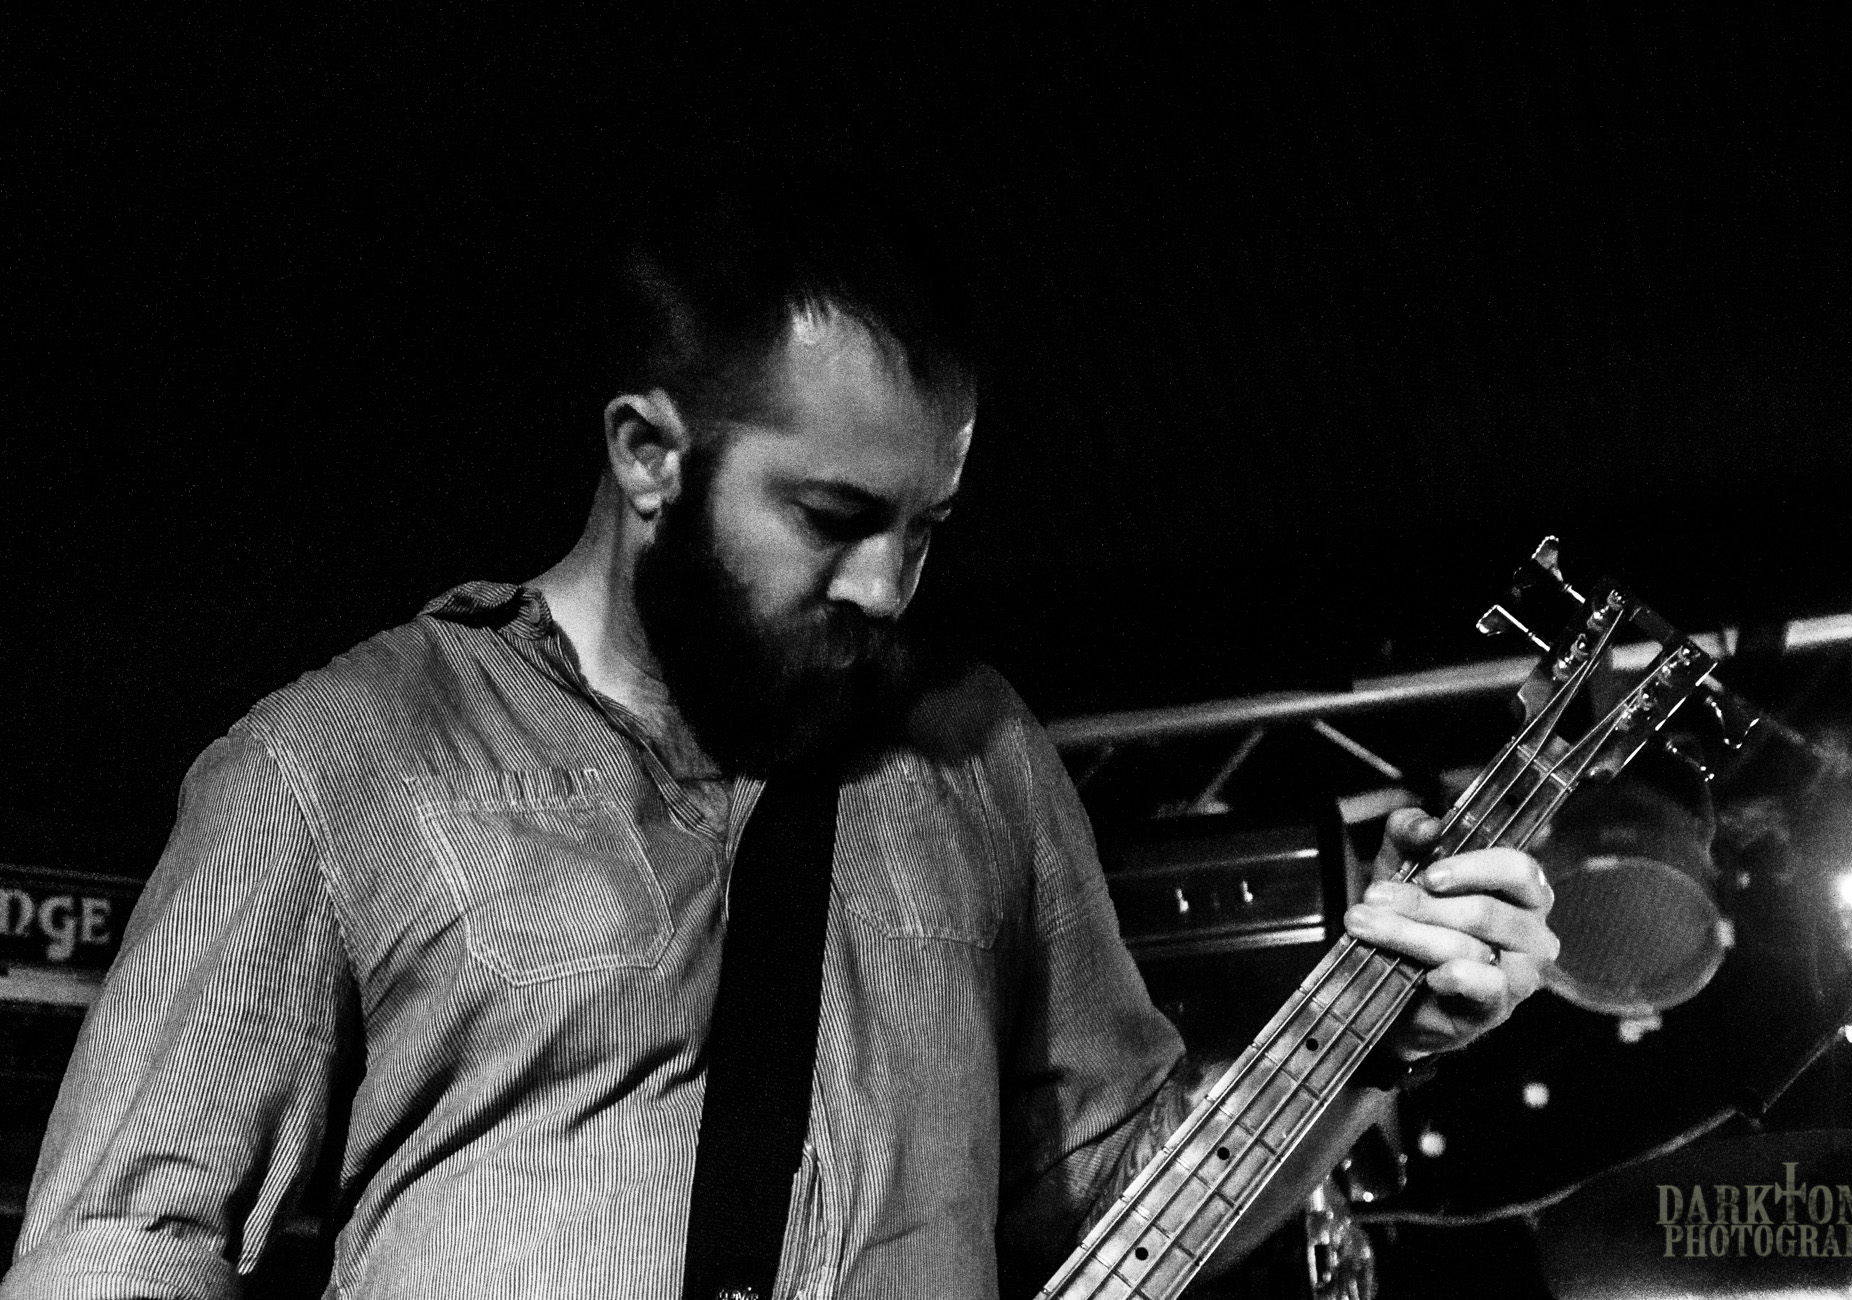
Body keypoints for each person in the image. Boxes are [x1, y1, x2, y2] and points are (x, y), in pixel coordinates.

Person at [4, 168, 1557, 1300]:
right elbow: (120, 1244)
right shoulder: (333, 760)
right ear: (648, 454)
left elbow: (1117, 1205)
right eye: (830, 516)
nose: (887, 584)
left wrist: (1380, 1033)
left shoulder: (976, 757)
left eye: (925, 527)